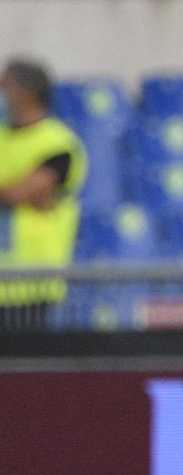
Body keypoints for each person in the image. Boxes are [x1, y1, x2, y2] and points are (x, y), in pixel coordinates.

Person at [0, 58, 87, 329]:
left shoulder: (58, 143)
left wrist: (18, 191)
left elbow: (17, 194)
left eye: (4, 85)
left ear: (26, 92)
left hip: (32, 283)